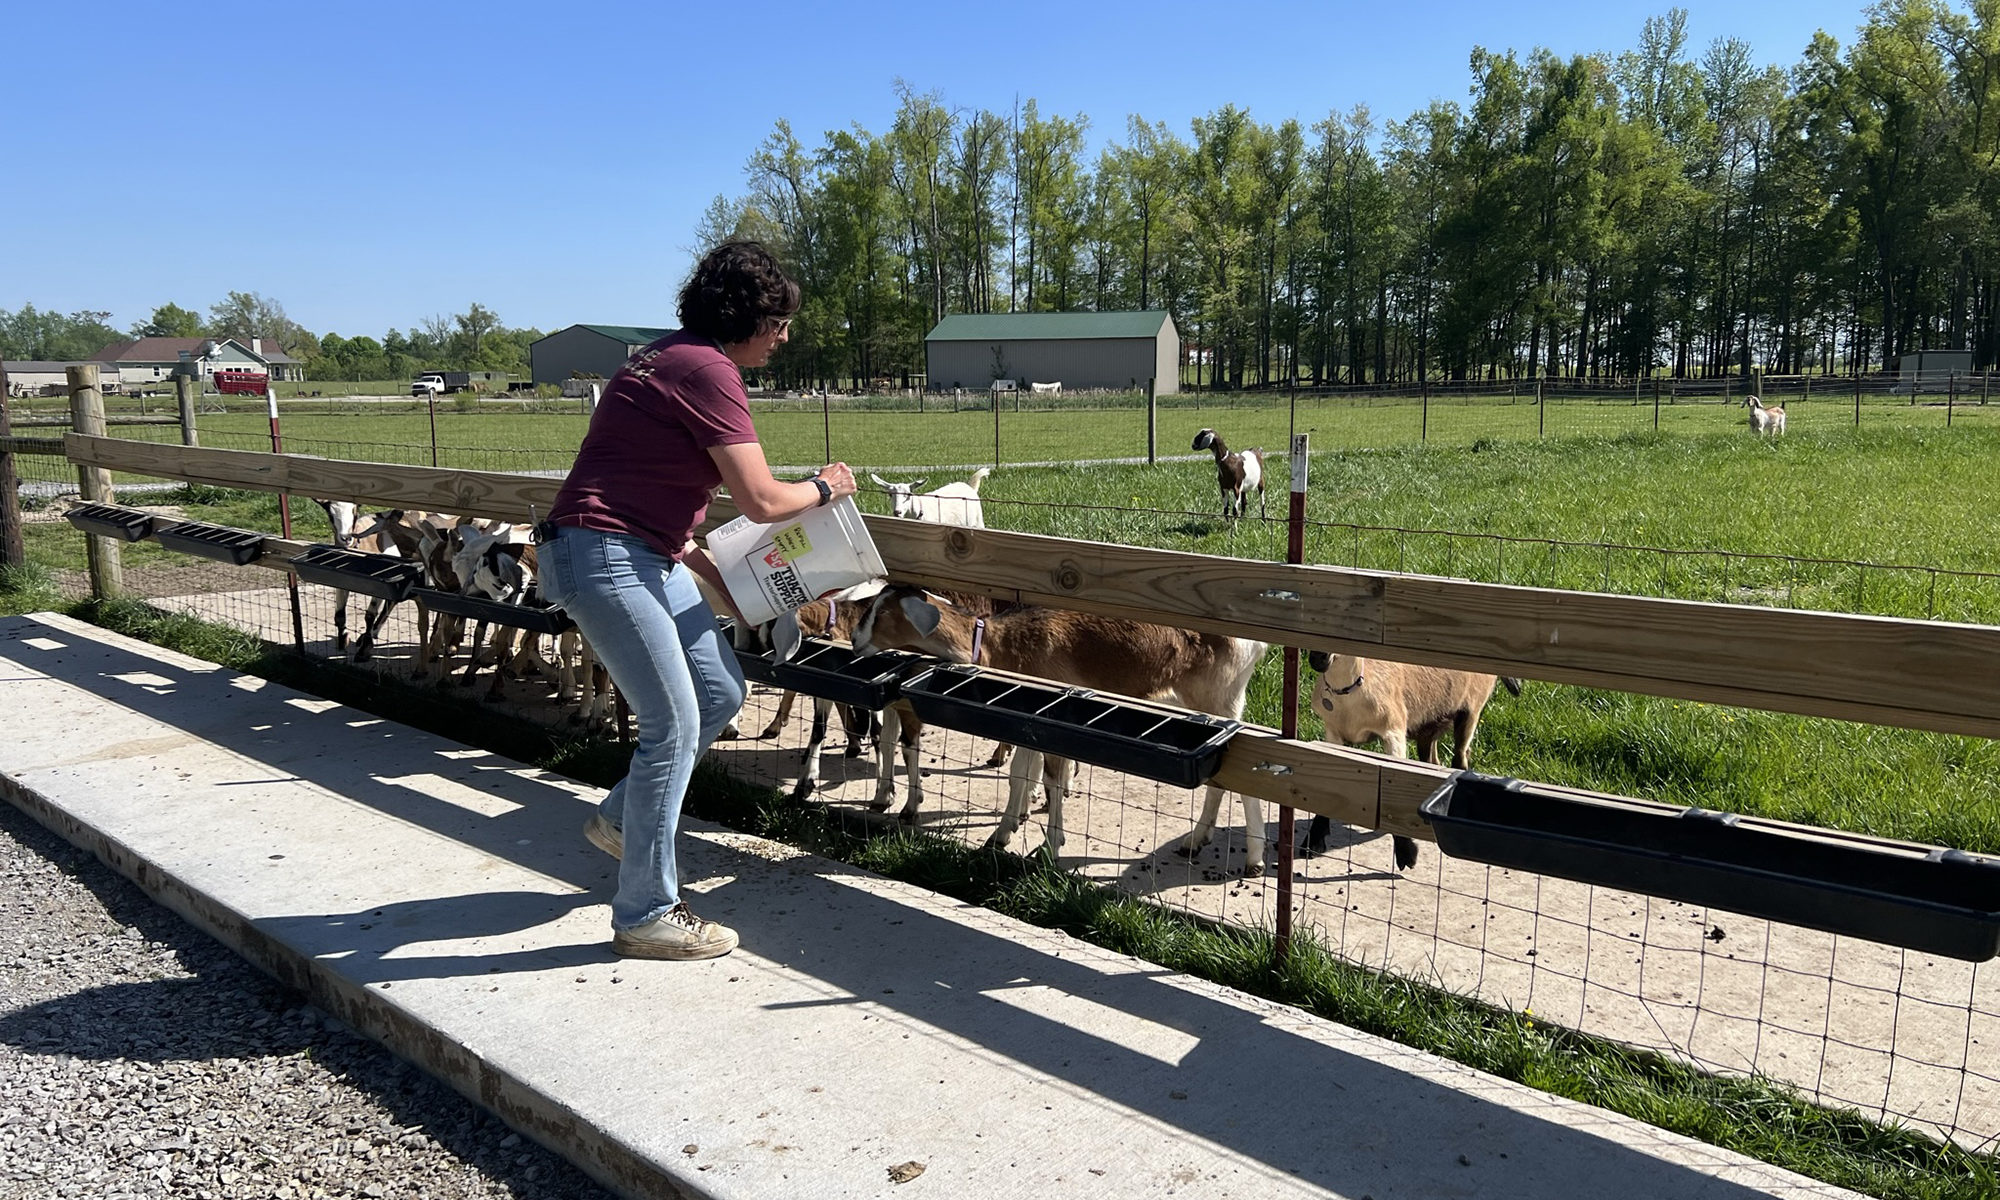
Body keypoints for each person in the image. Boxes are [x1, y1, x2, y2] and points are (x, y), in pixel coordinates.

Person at [538, 240, 858, 960]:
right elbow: (763, 498)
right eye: (778, 321)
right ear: (744, 316)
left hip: (639, 550)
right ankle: (647, 911)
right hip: (610, 555)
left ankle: (623, 822)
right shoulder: (708, 370)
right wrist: (827, 487)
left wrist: (737, 595)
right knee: (673, 726)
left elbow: (667, 515)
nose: (784, 335)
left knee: (718, 689)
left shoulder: (661, 357)